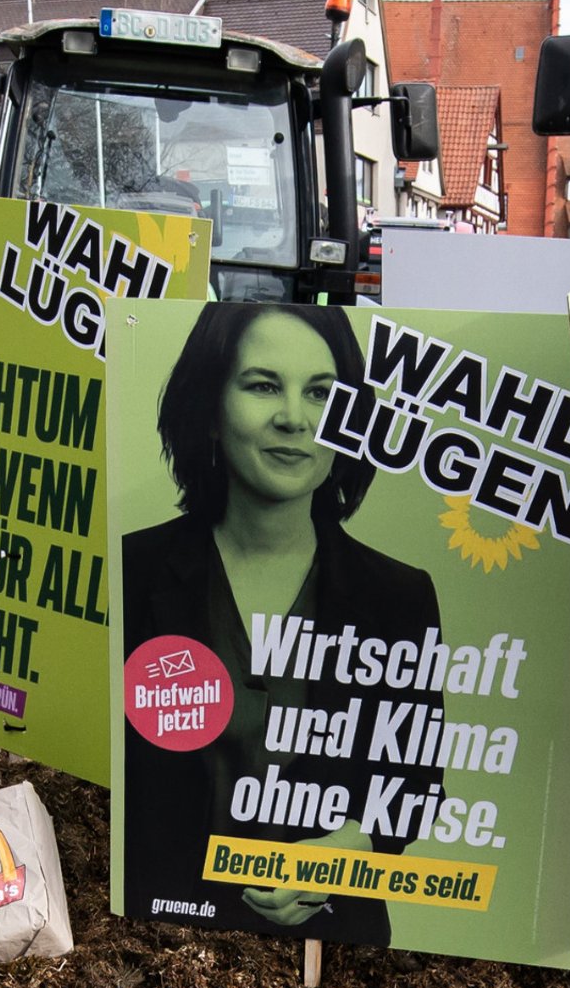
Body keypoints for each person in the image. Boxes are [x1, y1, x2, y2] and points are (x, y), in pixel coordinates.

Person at [121, 304, 442, 944]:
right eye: (263, 385)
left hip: (337, 950)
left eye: (321, 393)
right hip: (161, 944)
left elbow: (417, 782)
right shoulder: (133, 568)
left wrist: (347, 849)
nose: (294, 418)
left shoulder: (398, 595)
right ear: (211, 408)